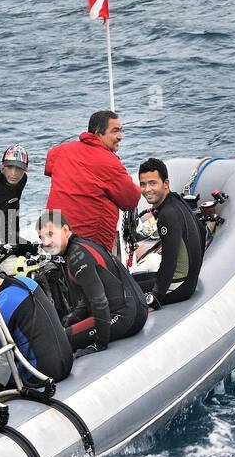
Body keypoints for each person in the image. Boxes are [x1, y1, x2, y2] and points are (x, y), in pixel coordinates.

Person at [37, 210, 146, 354]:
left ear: (65, 230)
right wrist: (74, 317)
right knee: (67, 324)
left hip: (124, 317)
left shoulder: (77, 257)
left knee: (59, 341)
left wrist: (99, 344)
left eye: (50, 234)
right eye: (41, 238)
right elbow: (88, 297)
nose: (46, 242)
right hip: (136, 309)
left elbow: (99, 302)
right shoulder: (83, 244)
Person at [0, 259, 73, 388]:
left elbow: (5, 362)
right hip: (67, 359)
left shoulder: (0, 309)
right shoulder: (25, 281)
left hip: (42, 372)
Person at [43, 111, 141, 254]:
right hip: (88, 245)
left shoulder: (61, 151)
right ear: (98, 133)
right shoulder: (109, 162)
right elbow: (130, 200)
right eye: (115, 131)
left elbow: (49, 165)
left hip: (54, 237)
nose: (120, 136)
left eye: (121, 131)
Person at [134, 158, 205, 309]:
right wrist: (193, 275)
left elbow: (169, 261)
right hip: (188, 283)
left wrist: (156, 298)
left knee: (121, 292)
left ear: (165, 184)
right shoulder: (177, 200)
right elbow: (202, 230)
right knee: (130, 280)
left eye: (153, 183)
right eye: (143, 184)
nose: (147, 189)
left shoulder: (167, 214)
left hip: (177, 287)